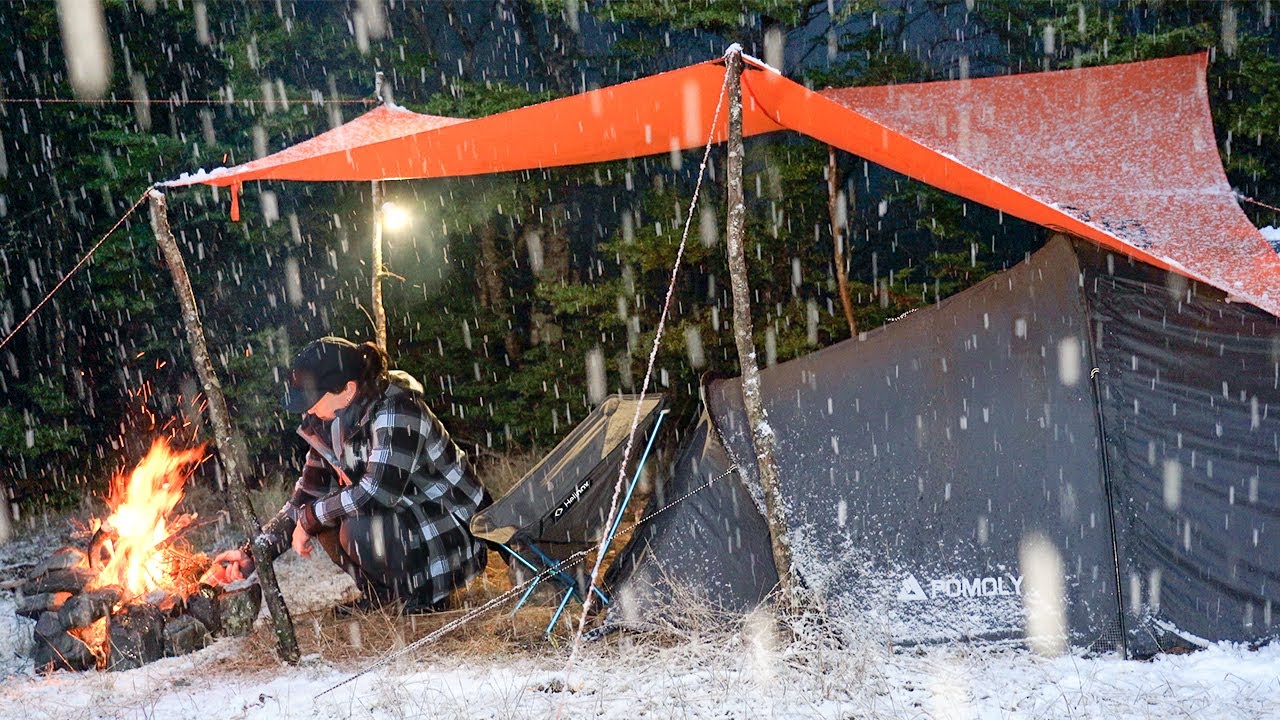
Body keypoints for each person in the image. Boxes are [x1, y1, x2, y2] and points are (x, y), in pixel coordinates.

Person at [207, 336, 489, 613]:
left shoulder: (398, 409)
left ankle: (426, 596)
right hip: (408, 521)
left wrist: (310, 517)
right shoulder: (330, 420)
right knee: (325, 516)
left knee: (356, 526)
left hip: (452, 531)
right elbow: (306, 495)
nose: (308, 409)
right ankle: (382, 596)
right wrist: (252, 554)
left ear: (348, 389)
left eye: (313, 399)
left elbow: (378, 492)